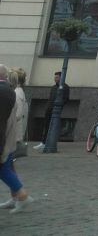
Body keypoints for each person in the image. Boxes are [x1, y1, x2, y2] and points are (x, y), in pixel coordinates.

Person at [1, 65, 32, 213]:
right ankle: (16, 197)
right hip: (10, 136)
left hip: (9, 136)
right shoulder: (13, 92)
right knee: (8, 167)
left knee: (5, 169)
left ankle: (22, 196)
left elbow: (16, 115)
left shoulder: (14, 93)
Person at [34, 71, 69, 150]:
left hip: (56, 110)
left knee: (53, 126)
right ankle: (43, 142)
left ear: (61, 77)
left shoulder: (65, 87)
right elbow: (50, 98)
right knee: (46, 126)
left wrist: (59, 106)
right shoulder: (53, 87)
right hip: (49, 109)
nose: (55, 79)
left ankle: (49, 143)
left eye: (57, 77)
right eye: (54, 77)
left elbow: (66, 99)